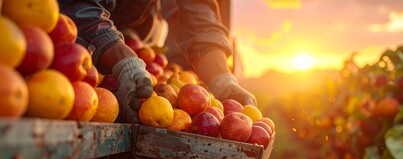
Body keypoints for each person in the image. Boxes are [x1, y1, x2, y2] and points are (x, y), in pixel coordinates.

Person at [58, 0, 256, 124]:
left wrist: (223, 79)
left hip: (111, 48)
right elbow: (79, 7)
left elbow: (200, 20)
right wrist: (123, 61)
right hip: (62, 45)